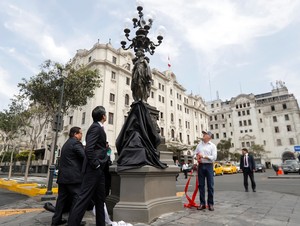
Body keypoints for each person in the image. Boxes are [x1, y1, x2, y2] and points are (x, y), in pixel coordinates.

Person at [68, 106, 108, 226]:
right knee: (83, 199)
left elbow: (95, 147)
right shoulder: (95, 128)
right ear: (103, 116)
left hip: (99, 171)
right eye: (105, 114)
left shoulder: (98, 128)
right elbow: (89, 149)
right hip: (93, 169)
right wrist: (96, 165)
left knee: (100, 199)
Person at [51, 127, 85, 226]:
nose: (81, 135)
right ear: (75, 134)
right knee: (77, 199)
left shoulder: (66, 143)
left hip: (63, 177)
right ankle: (73, 222)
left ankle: (56, 221)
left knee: (61, 200)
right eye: (80, 133)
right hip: (73, 178)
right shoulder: (76, 143)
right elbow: (84, 156)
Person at [194, 131, 217, 211]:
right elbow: (194, 154)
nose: (203, 135)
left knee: (210, 185)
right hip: (201, 166)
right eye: (203, 133)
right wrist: (196, 157)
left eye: (205, 134)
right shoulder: (199, 145)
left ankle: (210, 204)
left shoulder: (213, 146)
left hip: (209, 166)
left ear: (209, 137)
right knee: (201, 186)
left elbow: (214, 157)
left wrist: (203, 156)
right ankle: (202, 203)